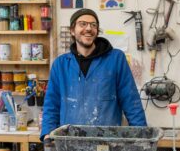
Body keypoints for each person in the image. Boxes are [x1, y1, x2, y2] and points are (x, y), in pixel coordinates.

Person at [41, 8, 147, 139]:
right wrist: (47, 132)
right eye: (83, 24)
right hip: (69, 143)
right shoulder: (61, 65)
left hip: (108, 143)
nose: (89, 28)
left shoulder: (116, 59)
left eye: (93, 25)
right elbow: (52, 104)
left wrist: (142, 135)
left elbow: (131, 101)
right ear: (72, 31)